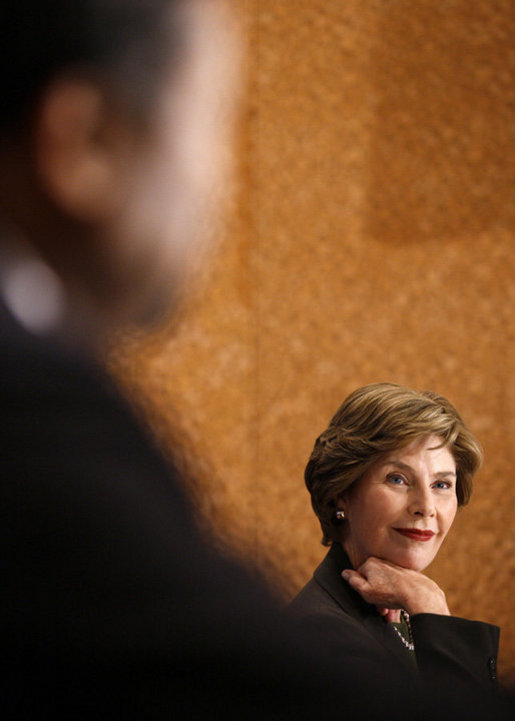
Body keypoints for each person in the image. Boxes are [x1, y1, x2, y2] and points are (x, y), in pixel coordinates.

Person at [0, 1, 508, 718]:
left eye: (445, 482)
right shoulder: (34, 408)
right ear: (87, 143)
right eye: (215, 125)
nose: (220, 187)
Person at [289, 383, 500, 694]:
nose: (426, 507)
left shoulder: (397, 614)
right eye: (397, 479)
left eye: (441, 485)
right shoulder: (325, 637)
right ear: (340, 494)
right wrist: (431, 605)